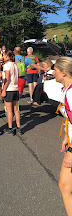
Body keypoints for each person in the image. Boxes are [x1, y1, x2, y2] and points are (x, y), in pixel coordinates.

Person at [54, 57, 72, 215]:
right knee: (65, 186)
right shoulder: (67, 90)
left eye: (56, 70)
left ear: (64, 72)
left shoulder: (71, 93)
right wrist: (67, 136)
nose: (53, 73)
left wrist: (71, 152)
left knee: (65, 186)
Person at [1, 50, 21, 136]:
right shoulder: (16, 65)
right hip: (16, 88)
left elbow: (7, 78)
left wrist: (4, 90)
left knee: (9, 110)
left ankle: (10, 128)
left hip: (9, 89)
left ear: (6, 57)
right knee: (16, 110)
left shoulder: (6, 66)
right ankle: (19, 128)